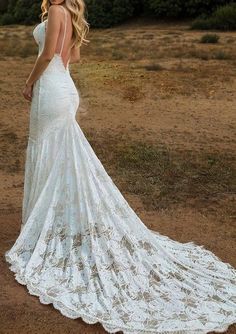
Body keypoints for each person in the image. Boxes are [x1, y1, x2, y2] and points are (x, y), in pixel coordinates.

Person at [5, 1, 236, 333]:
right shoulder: (69, 14)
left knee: (50, 152)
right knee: (60, 154)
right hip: (64, 86)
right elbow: (73, 58)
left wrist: (29, 83)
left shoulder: (56, 12)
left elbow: (47, 56)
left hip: (51, 89)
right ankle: (51, 221)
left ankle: (47, 225)